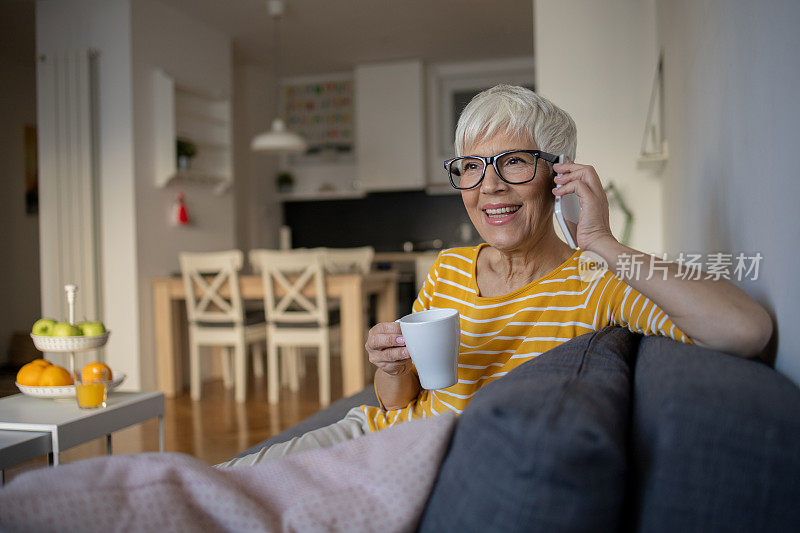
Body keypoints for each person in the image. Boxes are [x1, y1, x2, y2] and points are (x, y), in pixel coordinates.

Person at [217, 85, 772, 467]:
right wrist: (388, 363)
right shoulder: (450, 267)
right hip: (374, 434)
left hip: (428, 458)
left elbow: (744, 328)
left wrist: (603, 242)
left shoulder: (597, 280)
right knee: (215, 484)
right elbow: (396, 403)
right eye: (472, 167)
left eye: (514, 161)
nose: (490, 187)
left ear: (559, 173)